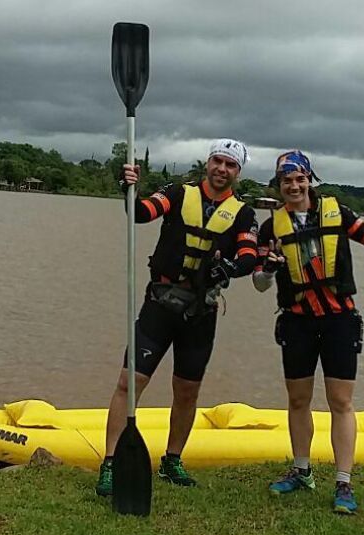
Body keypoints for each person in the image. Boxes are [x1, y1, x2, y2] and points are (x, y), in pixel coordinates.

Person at [253, 149, 364, 515]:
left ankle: (343, 482)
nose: (293, 186)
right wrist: (271, 269)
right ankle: (301, 470)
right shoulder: (269, 227)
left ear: (309, 180)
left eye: (299, 179)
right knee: (298, 400)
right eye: (286, 181)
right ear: (279, 186)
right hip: (296, 321)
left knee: (340, 402)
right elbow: (260, 283)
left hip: (339, 320)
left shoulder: (338, 213)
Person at [96, 139, 258, 496]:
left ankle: (172, 460)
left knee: (187, 392)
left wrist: (228, 267)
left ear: (238, 173)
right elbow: (141, 213)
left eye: (230, 165)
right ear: (208, 163)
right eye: (217, 161)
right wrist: (128, 187)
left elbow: (249, 255)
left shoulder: (243, 213)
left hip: (200, 313)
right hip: (159, 305)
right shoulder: (177, 193)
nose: (222, 169)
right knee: (129, 384)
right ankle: (110, 462)